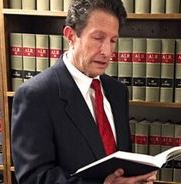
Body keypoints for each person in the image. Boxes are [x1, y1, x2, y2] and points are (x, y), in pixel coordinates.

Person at [11, 0, 157, 183]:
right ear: (70, 36)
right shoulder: (35, 95)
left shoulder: (117, 92)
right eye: (98, 38)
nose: (107, 51)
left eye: (113, 40)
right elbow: (33, 177)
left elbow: (120, 161)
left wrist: (136, 177)